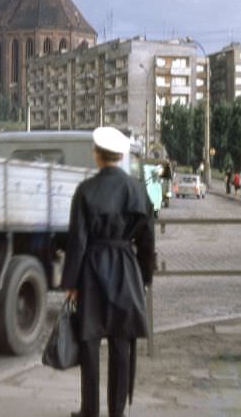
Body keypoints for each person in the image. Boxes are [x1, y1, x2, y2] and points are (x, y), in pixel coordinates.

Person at [62, 127, 155, 417]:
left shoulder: (85, 191)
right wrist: (144, 278)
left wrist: (72, 283)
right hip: (126, 269)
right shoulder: (138, 189)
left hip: (91, 270)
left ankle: (89, 410)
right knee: (121, 344)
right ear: (123, 155)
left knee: (89, 343)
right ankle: (117, 412)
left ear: (97, 156)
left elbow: (76, 240)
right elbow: (148, 241)